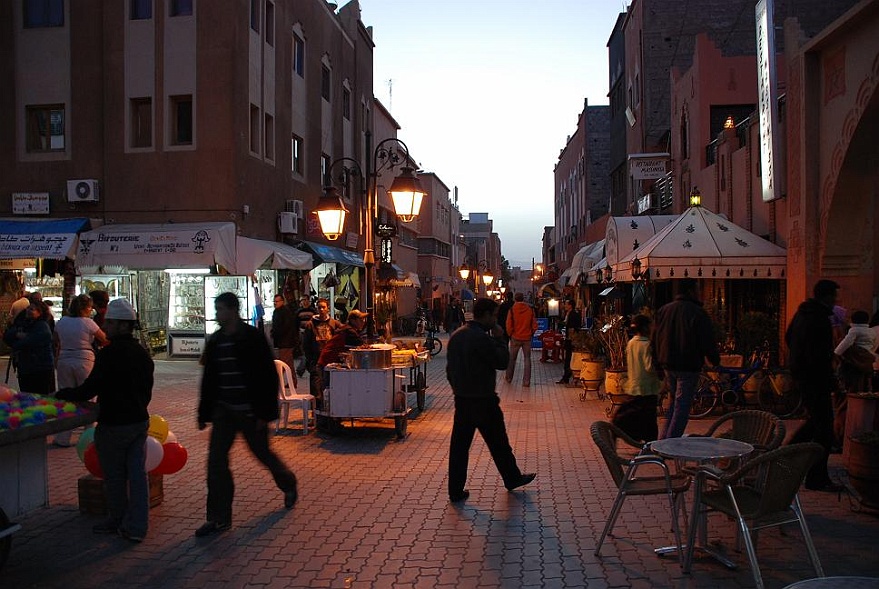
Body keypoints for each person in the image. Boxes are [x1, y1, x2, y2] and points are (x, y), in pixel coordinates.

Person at [195, 292, 298, 537]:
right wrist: (203, 412)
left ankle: (288, 482)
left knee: (263, 454)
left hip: (250, 411)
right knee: (216, 463)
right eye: (216, 309)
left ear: (233, 310)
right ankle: (219, 518)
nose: (218, 314)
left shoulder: (251, 338)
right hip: (224, 411)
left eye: (220, 309)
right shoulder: (217, 340)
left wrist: (264, 413)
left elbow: (266, 376)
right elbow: (209, 379)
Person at [55, 299, 154, 543]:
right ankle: (137, 527)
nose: (105, 325)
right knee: (138, 477)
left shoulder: (110, 354)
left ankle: (118, 519)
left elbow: (90, 388)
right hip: (138, 421)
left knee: (115, 477)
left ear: (122, 325)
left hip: (114, 424)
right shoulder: (142, 354)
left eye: (109, 322)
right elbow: (147, 390)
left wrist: (64, 394)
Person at [446, 297, 535, 503]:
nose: (496, 319)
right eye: (494, 315)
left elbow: (450, 371)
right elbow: (502, 362)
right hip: (484, 400)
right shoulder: (482, 338)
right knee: (499, 443)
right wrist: (500, 338)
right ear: (485, 315)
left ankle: (455, 490)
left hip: (463, 400)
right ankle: (512, 477)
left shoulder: (457, 336)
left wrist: (457, 389)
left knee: (459, 447)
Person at [787, 279, 844, 492]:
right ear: (827, 296)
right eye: (834, 296)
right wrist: (829, 379)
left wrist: (796, 360)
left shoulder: (803, 314)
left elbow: (788, 336)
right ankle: (816, 476)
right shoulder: (818, 318)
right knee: (824, 429)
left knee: (816, 422)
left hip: (803, 376)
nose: (836, 300)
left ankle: (786, 455)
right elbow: (820, 355)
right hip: (815, 378)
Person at [651, 278, 719, 439]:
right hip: (688, 365)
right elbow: (706, 340)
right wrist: (714, 360)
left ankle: (664, 441)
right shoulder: (697, 312)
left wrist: (657, 364)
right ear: (691, 291)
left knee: (674, 403)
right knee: (681, 406)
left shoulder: (664, 311)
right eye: (697, 288)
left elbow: (655, 339)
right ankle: (670, 443)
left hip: (668, 364)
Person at [51, 293, 110, 447]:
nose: (91, 311)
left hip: (64, 359)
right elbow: (104, 339)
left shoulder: (62, 321)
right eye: (90, 308)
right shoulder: (88, 323)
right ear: (86, 308)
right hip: (84, 359)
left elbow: (56, 341)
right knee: (88, 396)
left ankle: (63, 436)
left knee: (66, 397)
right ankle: (89, 436)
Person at [613, 314, 662, 442]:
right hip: (648, 387)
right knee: (649, 418)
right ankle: (650, 443)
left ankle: (621, 432)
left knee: (633, 413)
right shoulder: (647, 345)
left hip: (634, 384)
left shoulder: (631, 343)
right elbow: (649, 367)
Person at [4, 299, 55, 394]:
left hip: (40, 369)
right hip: (25, 368)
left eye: (32, 309)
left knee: (39, 396)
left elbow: (26, 343)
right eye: (28, 308)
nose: (28, 310)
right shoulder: (24, 323)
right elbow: (8, 336)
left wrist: (19, 340)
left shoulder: (42, 327)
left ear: (39, 313)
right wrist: (17, 334)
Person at [301, 298, 342, 405]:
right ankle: (316, 414)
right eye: (319, 307)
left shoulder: (334, 323)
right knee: (316, 388)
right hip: (316, 360)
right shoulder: (311, 325)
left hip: (330, 360)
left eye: (324, 307)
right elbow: (306, 344)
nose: (322, 310)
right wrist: (310, 360)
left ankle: (330, 412)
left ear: (328, 308)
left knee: (330, 386)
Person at [834, 310, 877, 393]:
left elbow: (846, 343)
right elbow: (873, 344)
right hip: (867, 358)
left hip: (855, 358)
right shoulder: (872, 331)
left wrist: (837, 352)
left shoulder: (854, 330)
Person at [504, 292, 538, 387]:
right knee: (527, 359)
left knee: (512, 359)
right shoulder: (529, 310)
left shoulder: (512, 310)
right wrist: (531, 333)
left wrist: (511, 334)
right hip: (527, 338)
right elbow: (534, 325)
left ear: (515, 299)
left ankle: (509, 377)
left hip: (515, 337)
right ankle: (526, 381)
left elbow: (508, 324)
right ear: (523, 299)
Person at [270, 292, 298, 371]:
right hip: (283, 342)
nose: (275, 303)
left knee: (283, 364)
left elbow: (285, 327)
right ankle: (291, 381)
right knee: (288, 363)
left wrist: (275, 333)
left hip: (285, 342)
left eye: (277, 301)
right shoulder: (278, 312)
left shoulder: (285, 312)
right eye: (274, 301)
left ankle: (280, 381)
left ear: (282, 301)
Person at [557, 299, 582, 384]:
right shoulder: (570, 313)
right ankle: (566, 376)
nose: (565, 305)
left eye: (566, 304)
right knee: (568, 358)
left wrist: (570, 337)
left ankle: (567, 376)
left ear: (570, 305)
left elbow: (572, 326)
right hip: (570, 338)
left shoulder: (573, 314)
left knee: (569, 358)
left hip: (571, 339)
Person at [293, 295, 317, 377]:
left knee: (309, 351)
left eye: (305, 300)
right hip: (302, 333)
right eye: (302, 300)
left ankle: (301, 369)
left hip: (311, 334)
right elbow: (295, 324)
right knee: (304, 351)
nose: (304, 301)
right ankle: (302, 368)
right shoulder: (298, 312)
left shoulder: (313, 311)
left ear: (308, 300)